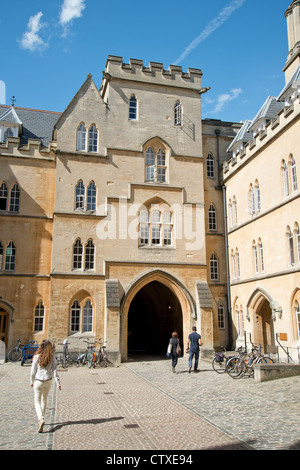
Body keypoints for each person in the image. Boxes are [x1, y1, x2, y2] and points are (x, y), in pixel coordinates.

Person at [30, 340, 61, 432]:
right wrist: (58, 383)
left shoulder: (36, 357)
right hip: (48, 380)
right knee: (44, 400)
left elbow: (32, 372)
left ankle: (41, 419)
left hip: (38, 381)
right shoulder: (51, 358)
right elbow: (55, 371)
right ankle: (42, 417)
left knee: (37, 401)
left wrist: (31, 381)